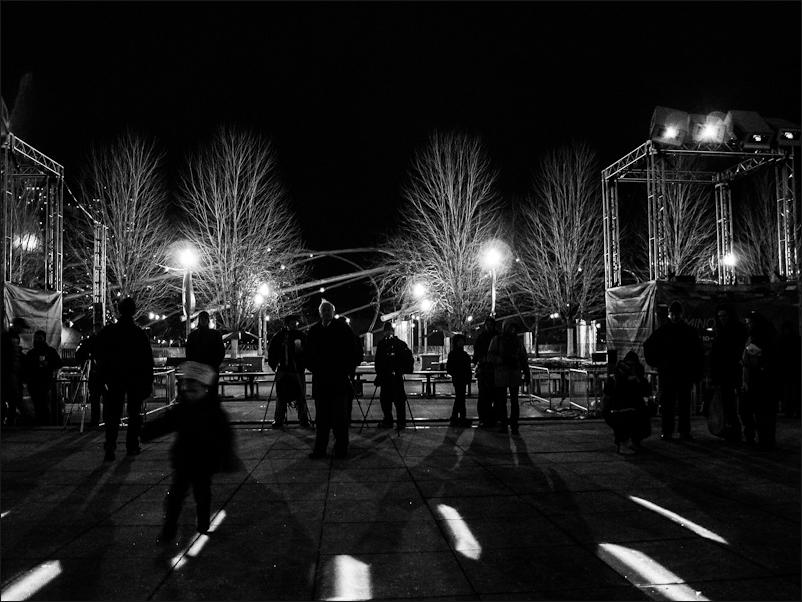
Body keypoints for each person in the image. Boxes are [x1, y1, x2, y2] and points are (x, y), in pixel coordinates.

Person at [141, 361, 235, 543]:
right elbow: (165, 423)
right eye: (187, 388)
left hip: (202, 461)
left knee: (201, 494)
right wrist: (148, 432)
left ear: (204, 389)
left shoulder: (211, 412)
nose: (189, 392)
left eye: (194, 389)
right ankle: (170, 529)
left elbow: (225, 436)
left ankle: (201, 523)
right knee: (177, 498)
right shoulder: (186, 409)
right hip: (186, 460)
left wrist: (226, 457)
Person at [96, 297, 154, 461]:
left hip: (114, 377)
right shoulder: (139, 334)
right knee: (134, 414)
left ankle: (110, 445)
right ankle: (132, 445)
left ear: (119, 310)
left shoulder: (109, 332)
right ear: (134, 311)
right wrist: (147, 382)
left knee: (112, 414)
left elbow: (100, 354)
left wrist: (102, 376)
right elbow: (147, 360)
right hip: (134, 377)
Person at [305, 300, 363, 459]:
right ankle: (320, 449)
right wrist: (315, 368)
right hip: (321, 380)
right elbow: (308, 354)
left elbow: (355, 352)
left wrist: (346, 370)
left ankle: (341, 449)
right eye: (323, 310)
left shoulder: (343, 328)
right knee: (321, 419)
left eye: (328, 310)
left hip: (338, 380)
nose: (326, 312)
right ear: (320, 313)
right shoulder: (314, 330)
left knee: (340, 419)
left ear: (333, 312)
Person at [644, 300, 704, 441]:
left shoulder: (664, 331)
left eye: (676, 314)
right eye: (673, 314)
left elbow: (648, 346)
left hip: (670, 373)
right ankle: (681, 431)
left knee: (671, 404)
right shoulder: (688, 331)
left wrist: (657, 363)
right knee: (681, 404)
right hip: (681, 373)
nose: (675, 316)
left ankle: (669, 431)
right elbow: (698, 353)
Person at [741, 311, 779, 450]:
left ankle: (764, 439)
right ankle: (766, 439)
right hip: (760, 379)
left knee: (761, 412)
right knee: (762, 412)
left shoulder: (760, 338)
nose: (748, 325)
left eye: (749, 323)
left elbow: (755, 360)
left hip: (759, 379)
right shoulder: (765, 336)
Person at [709, 304, 747, 443]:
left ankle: (734, 430)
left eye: (724, 316)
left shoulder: (734, 331)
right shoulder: (721, 331)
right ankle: (730, 430)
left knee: (733, 405)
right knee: (727, 404)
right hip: (725, 373)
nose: (722, 319)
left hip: (732, 372)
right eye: (720, 316)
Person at [602, 350, 651, 453]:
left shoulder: (615, 378)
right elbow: (646, 393)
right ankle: (629, 442)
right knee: (631, 417)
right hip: (627, 409)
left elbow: (607, 395)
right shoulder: (636, 379)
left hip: (615, 410)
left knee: (627, 417)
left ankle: (626, 441)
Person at [266, 314, 311, 429]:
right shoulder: (279, 336)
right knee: (281, 396)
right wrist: (274, 365)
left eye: (295, 323)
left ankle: (303, 419)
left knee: (300, 395)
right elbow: (272, 351)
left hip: (297, 370)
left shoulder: (301, 335)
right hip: (283, 370)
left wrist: (302, 359)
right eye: (291, 323)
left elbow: (308, 352)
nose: (294, 325)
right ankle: (279, 419)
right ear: (286, 324)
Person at [487, 320, 530, 434]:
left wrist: (527, 373)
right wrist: (501, 360)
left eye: (513, 328)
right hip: (502, 373)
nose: (512, 330)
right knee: (502, 402)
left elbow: (523, 358)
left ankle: (514, 424)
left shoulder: (517, 341)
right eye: (510, 328)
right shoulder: (497, 340)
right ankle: (504, 424)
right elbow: (490, 356)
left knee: (514, 401)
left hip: (514, 373)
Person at [373, 321, 414, 430]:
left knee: (391, 400)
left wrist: (380, 373)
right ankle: (397, 421)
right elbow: (378, 361)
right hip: (392, 376)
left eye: (388, 331)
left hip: (390, 376)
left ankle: (392, 421)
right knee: (393, 401)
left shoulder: (386, 344)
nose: (387, 333)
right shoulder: (397, 343)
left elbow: (378, 361)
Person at [24, 329, 62, 425]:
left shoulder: (50, 351)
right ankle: (39, 422)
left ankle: (46, 423)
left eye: (39, 338)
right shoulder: (31, 353)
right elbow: (26, 366)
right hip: (34, 382)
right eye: (35, 338)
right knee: (37, 404)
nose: (37, 340)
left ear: (44, 339)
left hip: (46, 382)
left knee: (45, 404)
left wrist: (48, 364)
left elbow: (59, 363)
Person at [75, 323, 104, 427]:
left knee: (96, 398)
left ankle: (96, 420)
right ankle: (100, 420)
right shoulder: (96, 341)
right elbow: (80, 354)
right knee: (96, 398)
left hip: (99, 373)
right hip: (99, 373)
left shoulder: (92, 341)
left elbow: (79, 354)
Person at [472, 316, 498, 428]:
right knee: (485, 396)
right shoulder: (484, 337)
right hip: (486, 369)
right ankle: (485, 418)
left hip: (492, 369)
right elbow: (477, 352)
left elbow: (476, 353)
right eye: (488, 325)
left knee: (492, 396)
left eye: (490, 325)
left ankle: (490, 418)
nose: (489, 327)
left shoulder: (494, 337)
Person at [2, 317, 28, 426]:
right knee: (13, 397)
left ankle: (10, 420)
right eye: (21, 327)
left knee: (12, 397)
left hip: (11, 372)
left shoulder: (10, 337)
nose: (22, 330)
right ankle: (12, 420)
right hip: (9, 372)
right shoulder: (8, 338)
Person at [446, 333, 473, 427]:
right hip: (459, 378)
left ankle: (457, 418)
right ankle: (459, 418)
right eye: (460, 341)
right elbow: (450, 367)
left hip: (461, 378)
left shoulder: (461, 354)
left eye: (462, 341)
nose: (461, 343)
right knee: (460, 398)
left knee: (460, 398)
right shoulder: (456, 354)